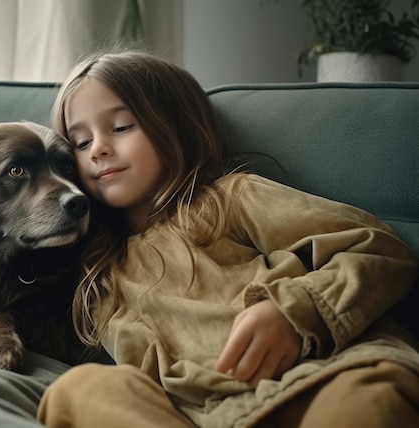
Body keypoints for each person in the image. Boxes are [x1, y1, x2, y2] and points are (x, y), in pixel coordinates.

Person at [35, 50, 419, 428]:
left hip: (322, 374)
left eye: (120, 127)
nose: (98, 149)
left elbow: (376, 247)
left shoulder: (230, 199)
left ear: (176, 126)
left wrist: (297, 311)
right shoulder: (97, 275)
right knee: (77, 391)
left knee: (368, 401)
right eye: (81, 143)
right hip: (210, 415)